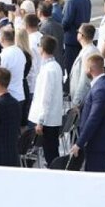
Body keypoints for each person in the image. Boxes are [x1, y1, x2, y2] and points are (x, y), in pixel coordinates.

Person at [70, 54, 105, 172]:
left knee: (95, 177)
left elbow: (94, 118)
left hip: (97, 143)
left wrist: (79, 143)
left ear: (90, 69)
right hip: (101, 142)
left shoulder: (100, 88)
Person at [28, 35, 64, 166]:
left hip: (47, 120)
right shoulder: (55, 66)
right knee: (51, 151)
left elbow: (45, 97)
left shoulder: (48, 70)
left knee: (50, 153)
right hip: (52, 117)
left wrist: (40, 120)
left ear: (42, 48)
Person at [62, 0, 92, 80]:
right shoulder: (87, 0)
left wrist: (62, 30)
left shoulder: (71, 1)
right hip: (84, 35)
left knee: (72, 66)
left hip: (71, 38)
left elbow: (67, 20)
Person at [70, 23, 99, 107]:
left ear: (81, 35)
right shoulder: (87, 50)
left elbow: (84, 79)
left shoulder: (89, 52)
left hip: (83, 100)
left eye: (78, 32)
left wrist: (77, 101)